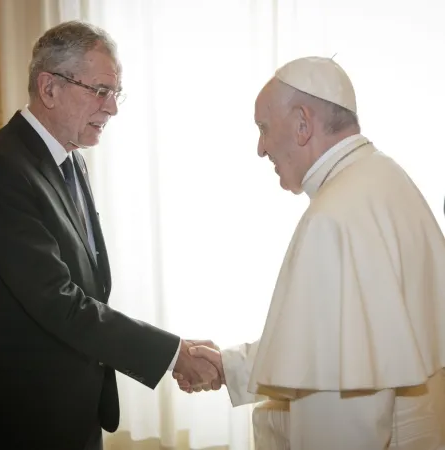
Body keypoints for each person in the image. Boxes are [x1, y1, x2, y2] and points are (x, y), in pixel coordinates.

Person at [0, 20, 217, 450]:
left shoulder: (70, 160)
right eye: (100, 90)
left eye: (116, 93)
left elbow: (88, 284)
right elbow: (59, 300)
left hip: (75, 406)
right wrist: (174, 353)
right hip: (23, 416)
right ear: (49, 88)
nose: (112, 108)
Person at [175, 56, 445, 449]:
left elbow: (342, 418)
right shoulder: (385, 178)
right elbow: (334, 344)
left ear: (303, 123)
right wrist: (229, 366)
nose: (260, 148)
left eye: (263, 128)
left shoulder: (333, 219)